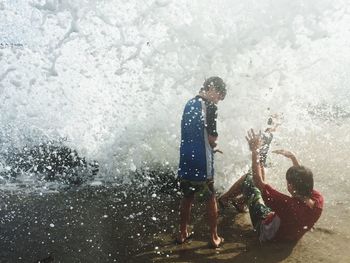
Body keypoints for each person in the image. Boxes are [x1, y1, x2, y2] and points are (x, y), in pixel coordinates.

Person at [223, 129, 324, 242]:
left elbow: (258, 182)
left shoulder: (288, 204)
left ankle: (223, 200)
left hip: (266, 232)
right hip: (289, 233)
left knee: (249, 178)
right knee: (262, 175)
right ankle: (241, 202)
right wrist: (293, 158)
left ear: (291, 186)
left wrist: (254, 151)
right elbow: (302, 180)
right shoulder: (318, 200)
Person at [177, 76, 227, 248]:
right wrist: (213, 145)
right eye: (219, 96)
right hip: (201, 162)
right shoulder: (210, 107)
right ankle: (214, 237)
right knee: (210, 197)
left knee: (187, 196)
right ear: (213, 90)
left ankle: (182, 232)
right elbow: (212, 138)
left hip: (185, 159)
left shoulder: (189, 103)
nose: (218, 100)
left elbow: (193, 133)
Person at [218, 115, 281, 212]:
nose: (279, 125)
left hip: (259, 160)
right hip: (255, 158)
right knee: (253, 180)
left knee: (258, 183)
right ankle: (226, 198)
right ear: (271, 123)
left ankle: (240, 201)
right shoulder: (263, 134)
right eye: (277, 122)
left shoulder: (269, 135)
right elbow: (254, 150)